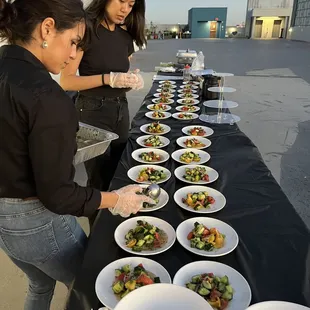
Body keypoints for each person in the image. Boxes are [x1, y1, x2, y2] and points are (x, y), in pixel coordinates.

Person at [0, 1, 154, 309]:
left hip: (4, 220)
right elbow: (57, 195)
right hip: (36, 222)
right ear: (47, 29)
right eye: (73, 43)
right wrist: (116, 199)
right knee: (96, 289)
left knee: (40, 284)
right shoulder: (47, 96)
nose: (74, 56)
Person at [60, 0, 147, 194]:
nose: (125, 9)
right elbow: (67, 81)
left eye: (131, 4)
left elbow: (120, 71)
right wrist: (108, 78)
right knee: (99, 180)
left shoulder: (125, 37)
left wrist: (130, 80)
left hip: (120, 109)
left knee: (120, 172)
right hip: (92, 110)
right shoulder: (87, 29)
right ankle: (98, 222)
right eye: (121, 1)